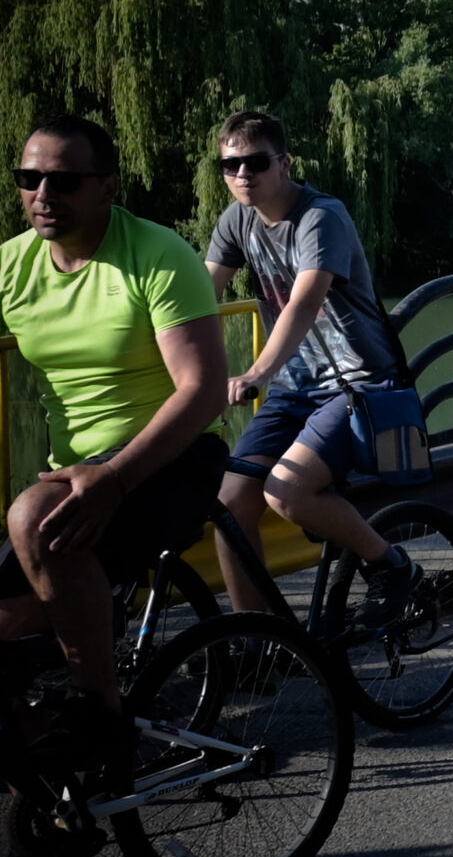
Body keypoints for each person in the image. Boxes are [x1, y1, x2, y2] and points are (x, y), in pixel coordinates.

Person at [0, 117, 228, 792]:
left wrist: (114, 477)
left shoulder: (158, 256)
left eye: (64, 180)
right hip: (74, 473)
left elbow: (205, 388)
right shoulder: (12, 265)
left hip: (168, 461)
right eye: (28, 178)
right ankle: (43, 815)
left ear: (107, 187)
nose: (44, 192)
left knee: (35, 514)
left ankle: (102, 713)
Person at [203, 111, 419, 624]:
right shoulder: (237, 220)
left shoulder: (321, 217)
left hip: (359, 384)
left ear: (285, 163)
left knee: (287, 490)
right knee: (230, 504)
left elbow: (303, 303)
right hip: (297, 386)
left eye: (255, 162)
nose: (242, 175)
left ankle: (391, 564)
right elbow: (196, 297)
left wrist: (256, 372)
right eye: (229, 165)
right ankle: (258, 640)